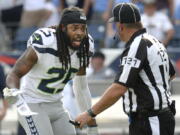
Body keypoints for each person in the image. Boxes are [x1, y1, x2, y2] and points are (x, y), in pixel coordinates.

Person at [75, 3, 176, 135]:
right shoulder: (154, 41)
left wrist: (89, 113)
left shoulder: (137, 45)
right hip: (161, 116)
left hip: (150, 120)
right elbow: (171, 74)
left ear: (120, 25)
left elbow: (119, 88)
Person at [3, 7, 98, 135]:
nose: (80, 33)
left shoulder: (85, 47)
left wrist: (91, 123)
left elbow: (81, 87)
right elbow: (14, 74)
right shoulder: (45, 43)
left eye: (82, 28)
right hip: (32, 104)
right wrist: (15, 93)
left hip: (57, 105)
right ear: (63, 28)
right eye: (74, 28)